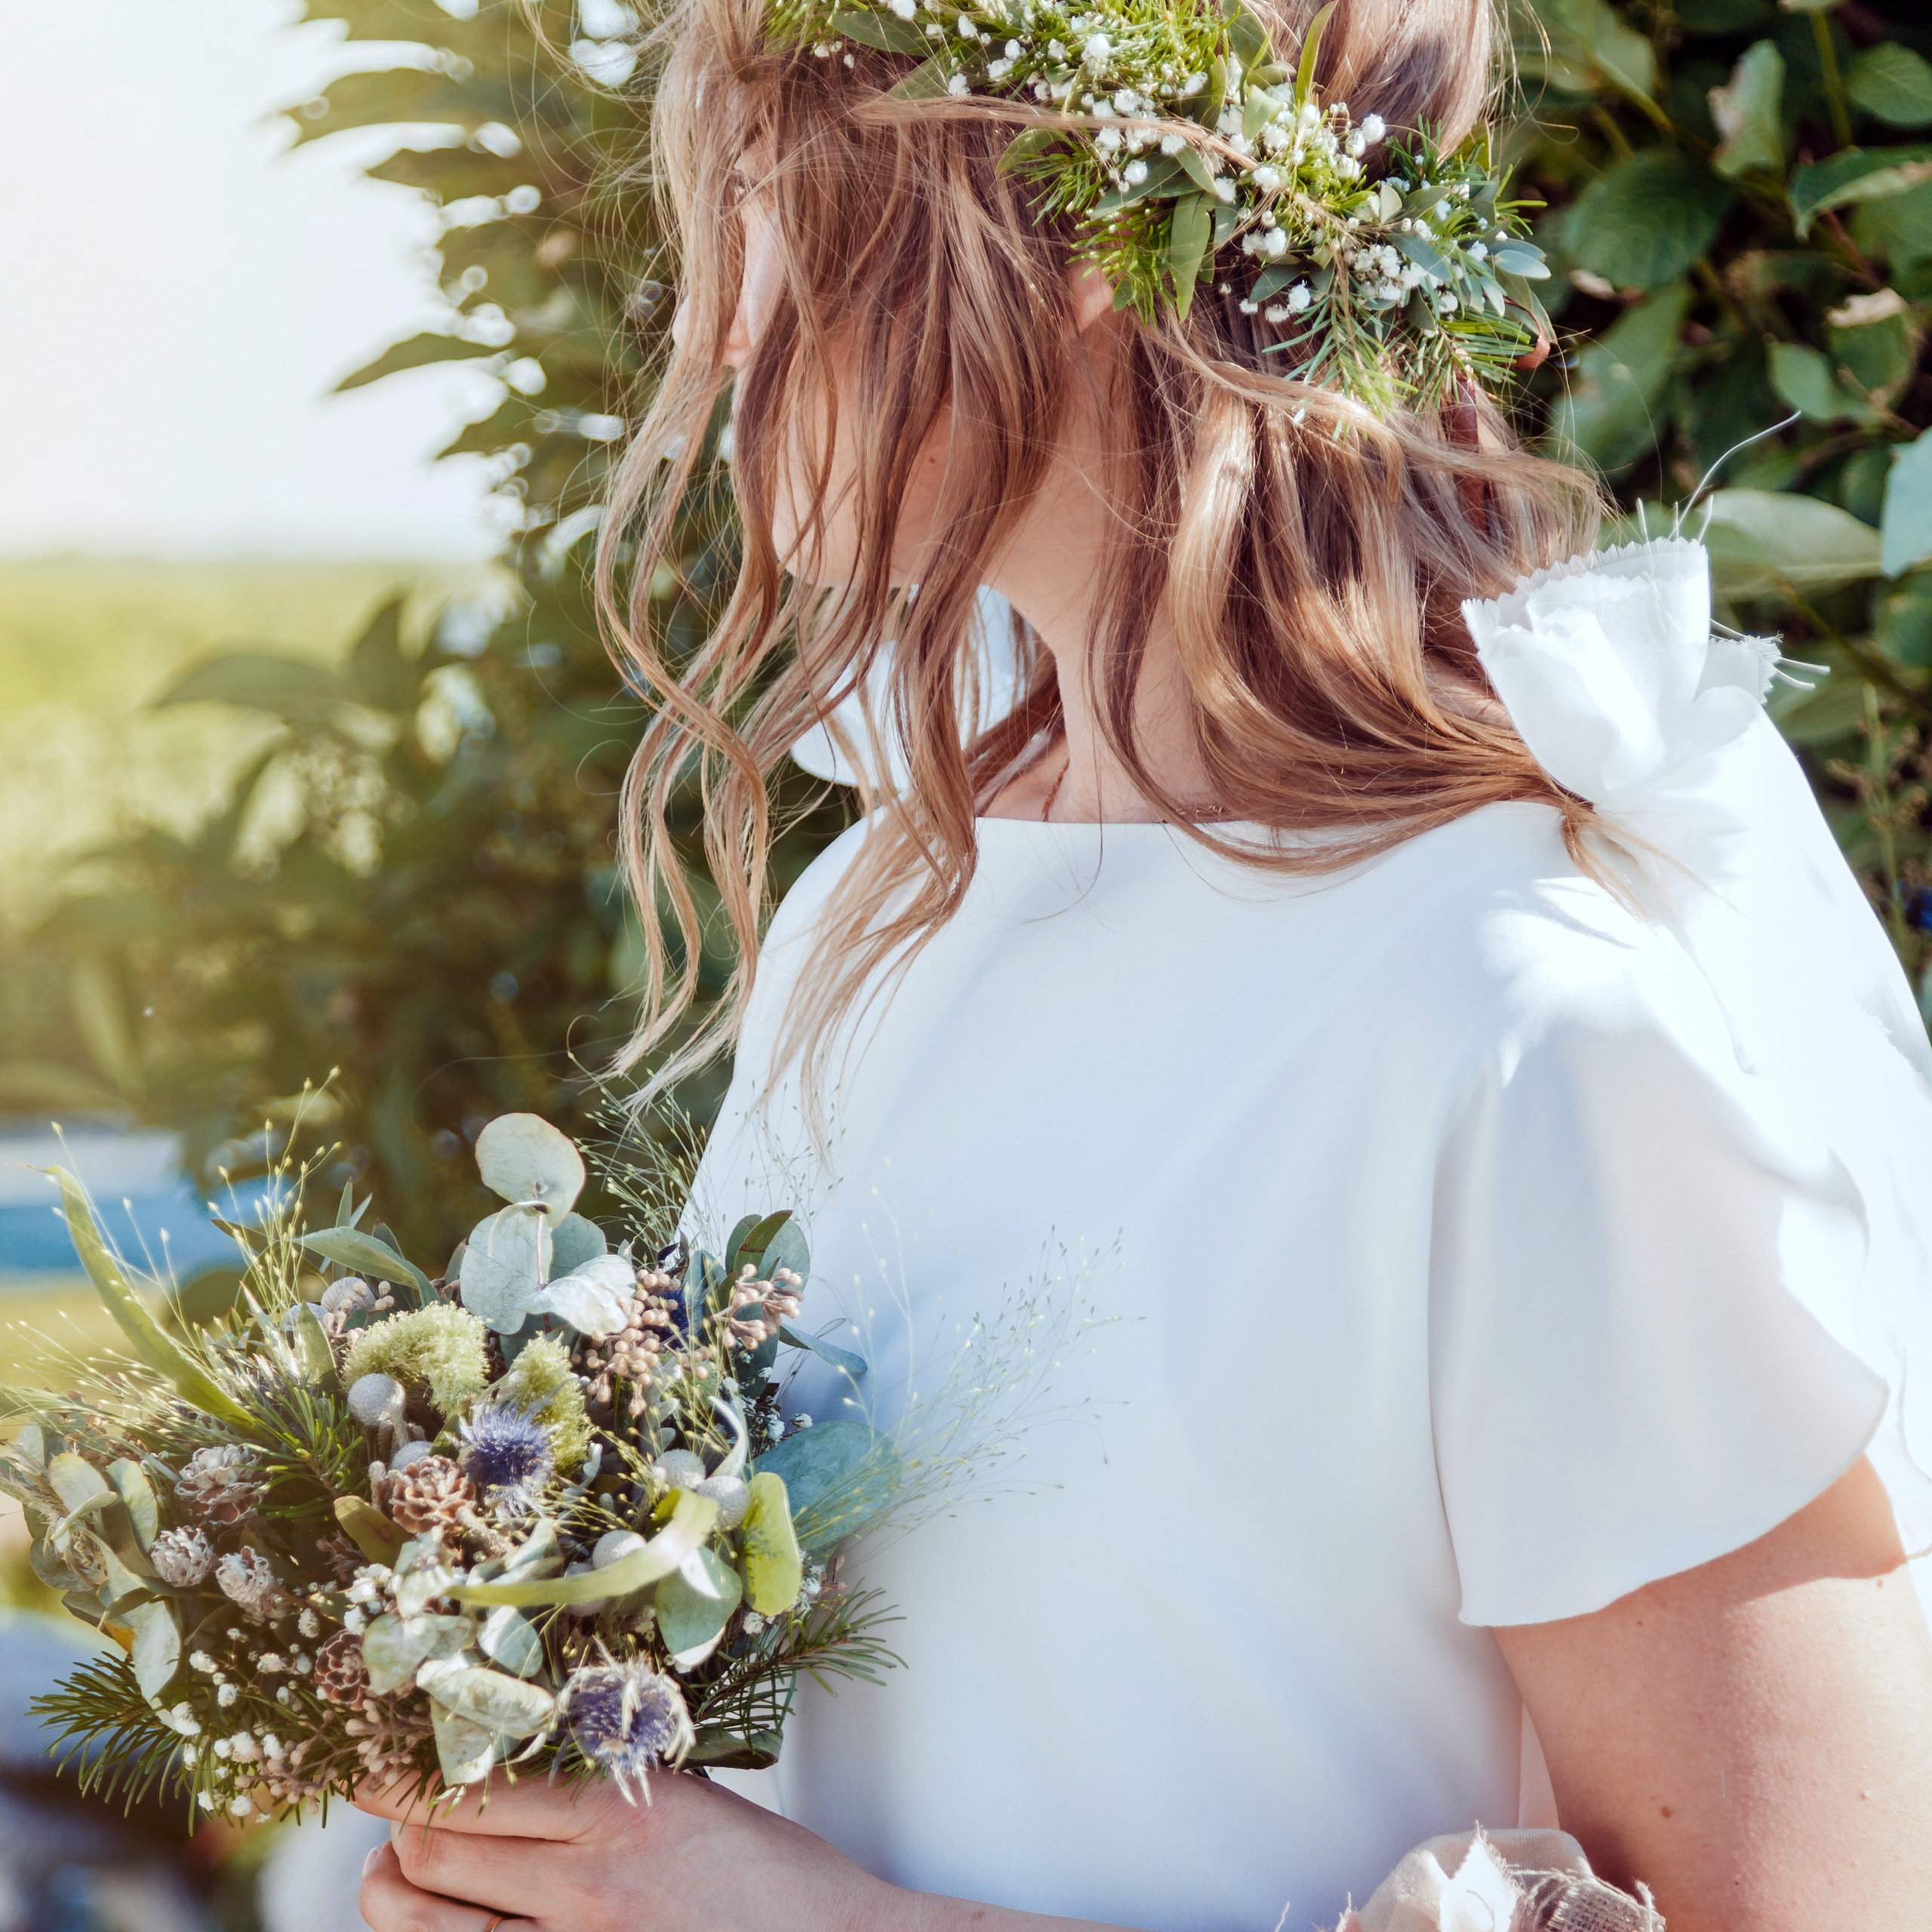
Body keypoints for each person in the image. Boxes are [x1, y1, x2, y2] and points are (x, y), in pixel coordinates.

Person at [355, 0, 1932, 1924]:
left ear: (1088, 236)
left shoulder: (1524, 1031)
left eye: (767, 189)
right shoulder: (885, 922)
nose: (704, 329)